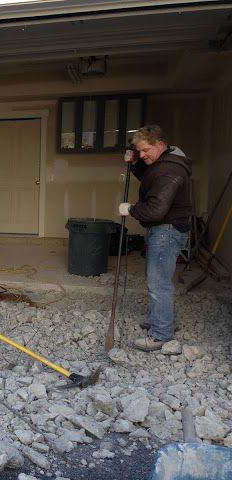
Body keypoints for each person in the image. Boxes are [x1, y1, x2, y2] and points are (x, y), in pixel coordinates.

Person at [119, 125, 192, 352]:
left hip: (166, 230)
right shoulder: (165, 161)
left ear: (160, 144)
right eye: (138, 151)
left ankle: (161, 334)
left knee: (158, 282)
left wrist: (130, 210)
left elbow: (155, 210)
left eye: (145, 150)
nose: (142, 155)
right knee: (159, 279)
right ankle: (165, 320)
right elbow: (149, 174)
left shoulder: (168, 171)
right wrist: (135, 164)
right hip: (167, 228)